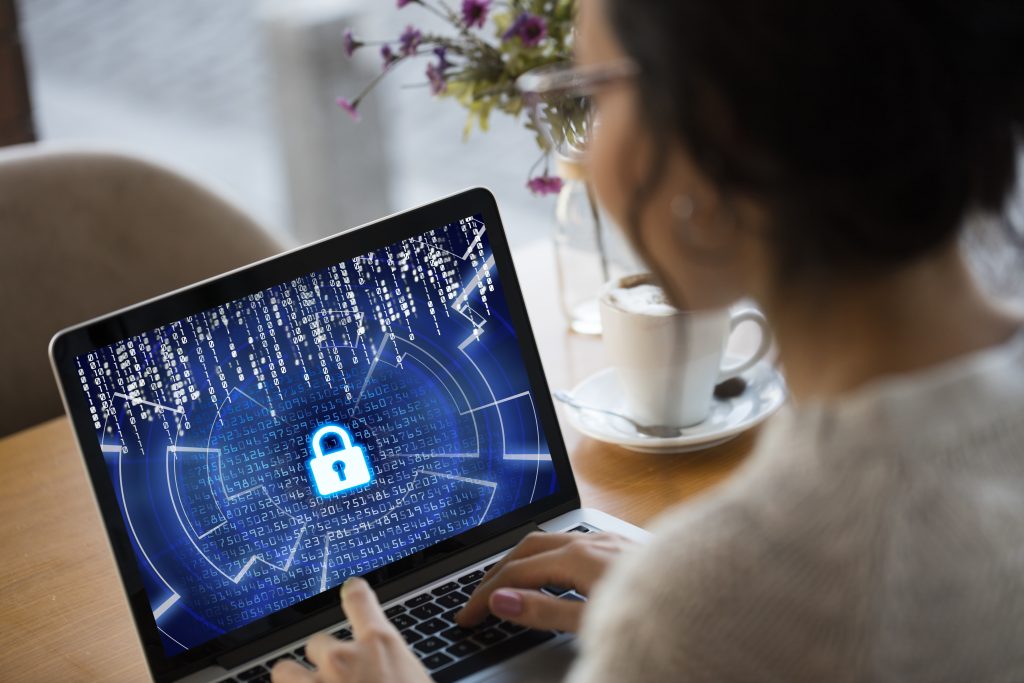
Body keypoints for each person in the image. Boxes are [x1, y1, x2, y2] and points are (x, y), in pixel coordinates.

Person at [272, 0, 1024, 680]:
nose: (581, 157)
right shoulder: (718, 596)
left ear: (711, 134)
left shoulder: (707, 613)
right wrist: (695, 582)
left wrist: (698, 601)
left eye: (593, 96)